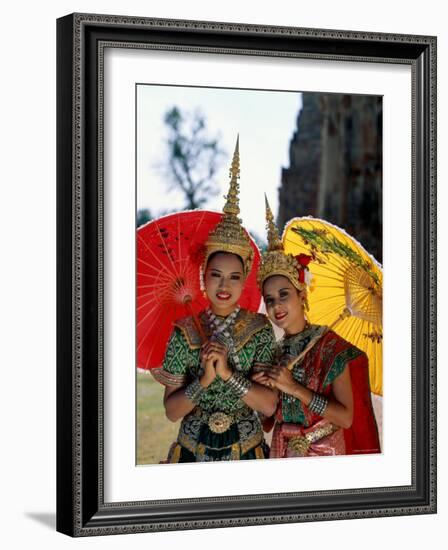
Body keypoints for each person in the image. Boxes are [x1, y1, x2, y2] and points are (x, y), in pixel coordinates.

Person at [153, 140, 277, 462]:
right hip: (192, 453)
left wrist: (228, 375)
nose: (224, 285)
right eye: (216, 275)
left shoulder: (258, 328)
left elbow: (268, 405)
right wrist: (205, 379)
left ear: (245, 279)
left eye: (235, 277)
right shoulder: (184, 331)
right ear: (203, 276)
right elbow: (171, 411)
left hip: (246, 451)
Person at [252, 197, 380, 458]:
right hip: (282, 452)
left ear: (302, 295)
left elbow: (345, 417)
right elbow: (267, 422)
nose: (277, 305)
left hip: (326, 454)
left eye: (284, 294)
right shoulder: (273, 353)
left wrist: (295, 388)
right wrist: (264, 391)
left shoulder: (331, 345)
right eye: (270, 299)